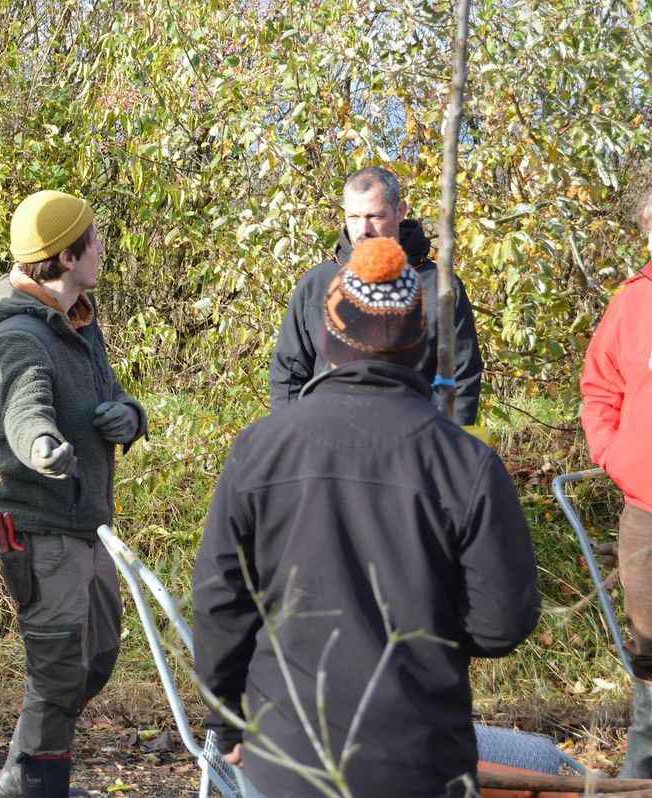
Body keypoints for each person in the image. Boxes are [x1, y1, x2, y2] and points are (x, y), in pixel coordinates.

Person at [193, 237, 540, 797]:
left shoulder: (260, 449)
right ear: (419, 341)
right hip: (422, 755)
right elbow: (502, 623)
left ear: (326, 337)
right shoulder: (465, 461)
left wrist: (226, 717)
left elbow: (218, 600)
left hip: (287, 750)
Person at [0, 190, 148, 798]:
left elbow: (112, 390)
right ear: (68, 255)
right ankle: (36, 787)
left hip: (90, 524)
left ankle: (22, 780)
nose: (102, 249)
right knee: (58, 672)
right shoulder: (19, 335)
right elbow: (25, 409)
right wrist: (42, 445)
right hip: (42, 528)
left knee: (95, 657)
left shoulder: (78, 320)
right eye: (94, 241)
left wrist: (129, 416)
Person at [269, 165, 484, 425]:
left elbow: (460, 378)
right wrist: (293, 439)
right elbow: (289, 372)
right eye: (354, 217)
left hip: (412, 444)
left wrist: (449, 449)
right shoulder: (316, 284)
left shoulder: (440, 287)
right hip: (328, 443)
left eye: (375, 216)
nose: (363, 228)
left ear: (400, 211)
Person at [580, 186, 652, 777]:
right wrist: (614, 454)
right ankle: (642, 770)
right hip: (646, 511)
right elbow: (600, 387)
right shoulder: (630, 304)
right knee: (650, 648)